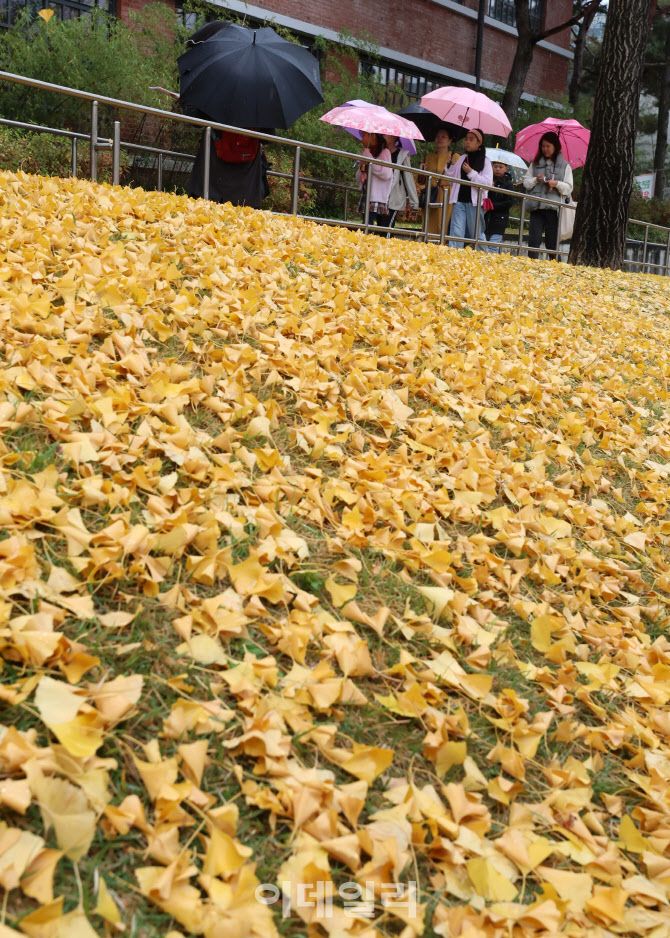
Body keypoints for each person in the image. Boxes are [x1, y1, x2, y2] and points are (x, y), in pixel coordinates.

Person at [523, 131, 574, 260]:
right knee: (534, 240)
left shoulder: (565, 166)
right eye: (543, 146)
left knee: (552, 243)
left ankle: (554, 268)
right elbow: (526, 183)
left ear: (555, 146)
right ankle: (531, 265)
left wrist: (556, 183)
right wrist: (536, 179)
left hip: (554, 210)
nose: (545, 149)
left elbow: (568, 188)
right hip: (537, 207)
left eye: (548, 146)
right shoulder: (534, 164)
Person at [445, 128, 493, 249]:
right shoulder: (462, 158)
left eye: (471, 139)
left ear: (479, 142)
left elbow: (487, 184)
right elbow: (452, 181)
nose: (467, 142)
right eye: (466, 139)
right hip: (459, 201)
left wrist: (471, 173)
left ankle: (485, 259)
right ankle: (454, 260)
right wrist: (449, 166)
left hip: (474, 204)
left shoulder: (485, 161)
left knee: (476, 235)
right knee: (456, 233)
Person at [417, 127, 455, 236]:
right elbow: (421, 181)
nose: (439, 139)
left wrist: (452, 165)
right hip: (431, 193)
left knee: (444, 223)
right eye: (437, 136)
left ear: (450, 140)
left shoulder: (454, 157)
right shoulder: (428, 157)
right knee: (429, 222)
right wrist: (421, 171)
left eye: (443, 137)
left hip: (446, 194)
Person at [383, 135, 419, 235]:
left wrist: (414, 203)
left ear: (394, 137)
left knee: (387, 230)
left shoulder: (402, 155)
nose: (383, 136)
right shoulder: (380, 152)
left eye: (387, 134)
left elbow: (409, 178)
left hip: (394, 197)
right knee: (380, 228)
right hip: (380, 196)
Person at [356, 132, 393, 230]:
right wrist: (362, 165)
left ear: (372, 136)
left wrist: (369, 159)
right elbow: (357, 178)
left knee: (371, 225)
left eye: (364, 136)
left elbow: (386, 174)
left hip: (377, 198)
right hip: (366, 194)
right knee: (366, 224)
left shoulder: (385, 152)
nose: (362, 139)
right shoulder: (369, 152)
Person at [484, 161, 514, 253]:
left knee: (493, 246)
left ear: (506, 169)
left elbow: (509, 201)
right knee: (482, 245)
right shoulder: (487, 180)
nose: (497, 169)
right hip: (486, 217)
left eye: (500, 167)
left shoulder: (508, 183)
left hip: (500, 218)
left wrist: (492, 206)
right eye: (495, 166)